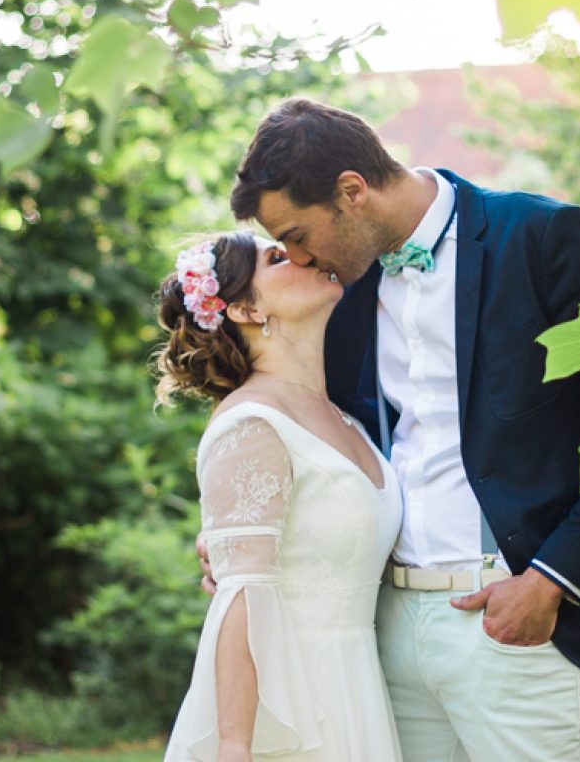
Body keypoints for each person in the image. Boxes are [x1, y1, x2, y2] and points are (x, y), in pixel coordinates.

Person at [205, 96, 580, 762]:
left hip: (518, 619)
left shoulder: (543, 238)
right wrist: (244, 534)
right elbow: (307, 427)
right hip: (386, 633)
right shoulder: (339, 293)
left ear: (352, 192)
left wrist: (549, 581)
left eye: (297, 235)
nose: (296, 257)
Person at [156, 231, 404, 762]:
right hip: (294, 702)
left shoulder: (347, 418)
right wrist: (234, 745)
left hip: (360, 682)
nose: (304, 254)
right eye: (277, 257)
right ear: (245, 307)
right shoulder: (250, 422)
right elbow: (240, 596)